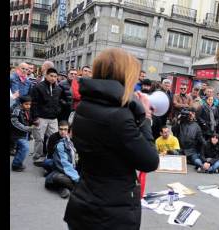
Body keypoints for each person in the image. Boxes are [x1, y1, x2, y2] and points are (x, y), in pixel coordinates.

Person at [64, 48, 159, 230]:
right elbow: (149, 161)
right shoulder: (119, 116)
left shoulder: (85, 105)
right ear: (124, 75)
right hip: (110, 213)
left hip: (84, 201)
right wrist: (146, 118)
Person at [31, 68, 62, 162]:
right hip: (41, 117)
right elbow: (34, 103)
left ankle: (51, 156)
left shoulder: (58, 89)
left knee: (55, 138)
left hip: (53, 118)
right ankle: (37, 157)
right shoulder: (38, 87)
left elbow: (59, 102)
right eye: (51, 76)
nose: (53, 78)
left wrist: (58, 111)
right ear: (46, 76)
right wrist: (35, 117)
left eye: (55, 76)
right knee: (39, 139)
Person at [45, 120, 79, 199]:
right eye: (61, 129)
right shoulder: (61, 144)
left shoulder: (83, 143)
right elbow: (65, 165)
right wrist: (78, 179)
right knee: (54, 177)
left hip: (76, 171)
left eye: (65, 129)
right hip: (65, 169)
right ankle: (78, 189)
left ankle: (65, 188)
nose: (63, 132)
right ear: (69, 132)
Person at [11, 96, 34, 171]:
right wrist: (26, 128)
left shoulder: (26, 110)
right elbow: (15, 122)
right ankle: (16, 164)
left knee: (20, 149)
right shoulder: (16, 110)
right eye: (26, 104)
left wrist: (33, 122)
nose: (28, 106)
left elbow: (27, 120)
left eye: (30, 104)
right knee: (25, 148)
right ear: (21, 104)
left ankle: (18, 163)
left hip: (24, 133)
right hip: (17, 134)